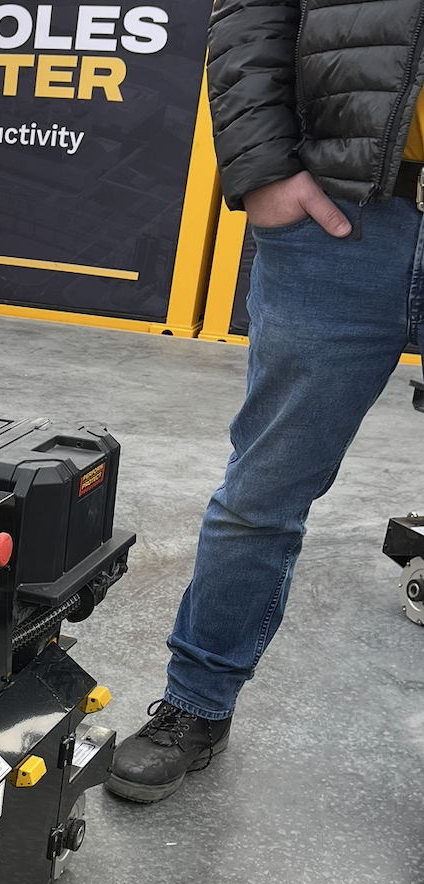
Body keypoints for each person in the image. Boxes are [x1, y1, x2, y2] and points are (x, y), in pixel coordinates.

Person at [107, 0, 424, 802]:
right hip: (350, 216)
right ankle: (196, 704)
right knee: (264, 489)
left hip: (348, 212)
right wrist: (264, 172)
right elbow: (252, 12)